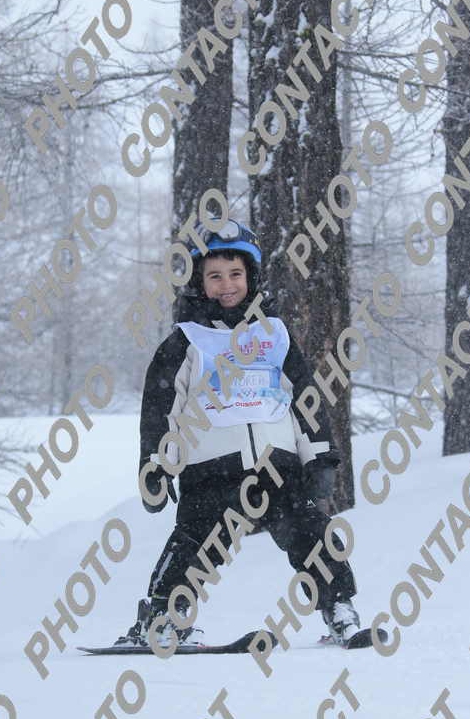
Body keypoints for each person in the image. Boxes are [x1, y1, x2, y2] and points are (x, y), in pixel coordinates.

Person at [115, 218, 363, 649]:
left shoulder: (276, 336)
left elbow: (305, 399)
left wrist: (320, 455)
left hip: (277, 465)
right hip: (211, 469)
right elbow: (160, 412)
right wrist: (155, 466)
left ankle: (339, 609)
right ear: (199, 281)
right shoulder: (185, 342)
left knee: (313, 533)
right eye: (214, 276)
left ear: (251, 277)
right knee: (195, 545)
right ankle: (163, 619)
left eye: (235, 274)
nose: (226, 285)